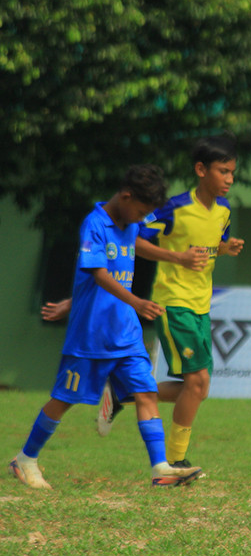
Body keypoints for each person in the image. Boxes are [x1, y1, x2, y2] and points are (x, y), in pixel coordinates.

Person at [8, 165, 203, 490]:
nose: (142, 218)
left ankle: (160, 469)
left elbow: (135, 246)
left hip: (125, 332)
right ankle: (25, 459)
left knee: (146, 392)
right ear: (126, 196)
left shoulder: (130, 223)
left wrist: (176, 258)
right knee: (64, 398)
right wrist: (136, 302)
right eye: (141, 211)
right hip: (91, 334)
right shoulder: (95, 223)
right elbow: (97, 273)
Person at [132, 134, 245, 469]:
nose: (229, 179)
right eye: (223, 171)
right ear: (200, 169)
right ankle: (176, 463)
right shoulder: (175, 207)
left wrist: (226, 248)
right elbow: (135, 240)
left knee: (198, 388)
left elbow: (214, 244)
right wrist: (176, 257)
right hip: (173, 303)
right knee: (197, 383)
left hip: (201, 306)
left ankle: (125, 391)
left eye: (232, 172)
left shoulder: (223, 211)